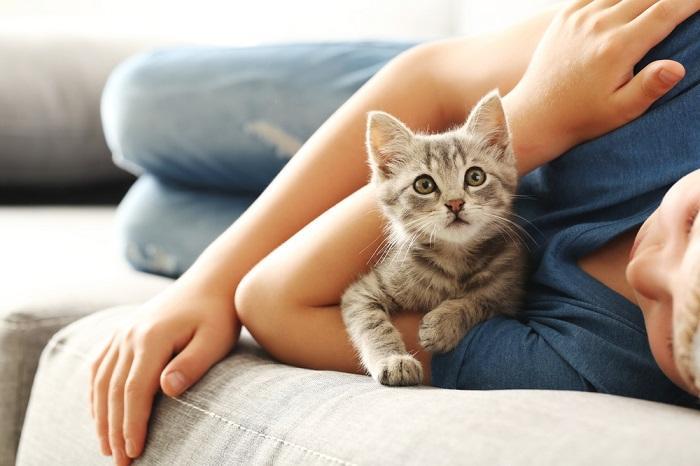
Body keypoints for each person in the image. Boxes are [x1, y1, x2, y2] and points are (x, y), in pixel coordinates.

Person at [90, 0, 700, 464]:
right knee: (139, 105)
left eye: (671, 333)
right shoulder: (679, 73)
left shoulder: (599, 364)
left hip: (421, 214)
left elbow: (274, 299)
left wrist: (215, 286)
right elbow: (431, 80)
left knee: (150, 223)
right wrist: (530, 116)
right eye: (696, 224)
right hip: (441, 120)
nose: (647, 270)